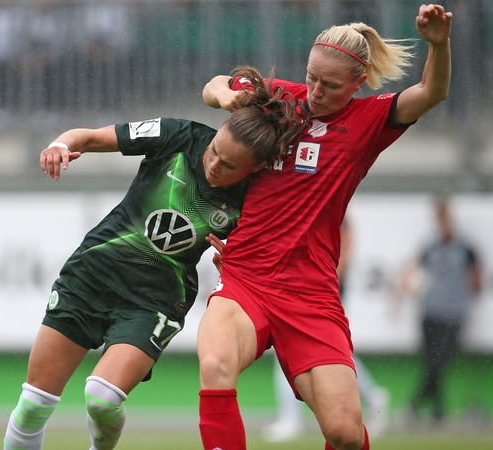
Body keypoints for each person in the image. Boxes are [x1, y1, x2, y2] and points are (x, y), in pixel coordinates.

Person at [2, 66, 308, 450]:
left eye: (229, 166)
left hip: (154, 300)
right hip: (92, 274)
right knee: (33, 404)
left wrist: (232, 261)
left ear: (257, 168)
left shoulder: (257, 197)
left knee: (102, 397)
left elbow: (252, 262)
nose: (214, 165)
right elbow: (93, 137)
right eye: (214, 152)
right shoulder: (179, 135)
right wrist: (62, 144)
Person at [197, 4, 451, 450]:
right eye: (312, 77)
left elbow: (431, 90)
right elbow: (215, 84)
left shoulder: (368, 120)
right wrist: (225, 99)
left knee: (345, 433)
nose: (314, 91)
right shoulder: (280, 98)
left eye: (330, 85)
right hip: (246, 278)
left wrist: (438, 44)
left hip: (310, 294)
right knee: (215, 364)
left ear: (359, 82)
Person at [262, 220, 390, 442]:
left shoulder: (325, 196)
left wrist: (333, 273)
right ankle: (373, 396)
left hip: (322, 290)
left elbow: (347, 234)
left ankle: (291, 419)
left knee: (313, 349)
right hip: (311, 287)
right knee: (330, 352)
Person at [407, 197, 483, 424]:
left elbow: (476, 276)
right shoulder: (429, 247)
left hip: (454, 313)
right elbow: (413, 272)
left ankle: (414, 404)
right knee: (432, 360)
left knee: (439, 360)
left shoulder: (466, 248)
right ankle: (438, 411)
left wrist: (471, 288)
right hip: (430, 311)